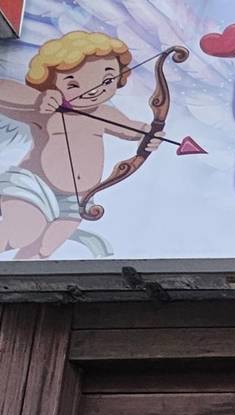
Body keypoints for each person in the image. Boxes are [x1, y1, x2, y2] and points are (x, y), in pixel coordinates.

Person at [0, 31, 160, 259]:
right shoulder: (45, 109)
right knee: (20, 233)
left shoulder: (104, 113)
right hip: (35, 186)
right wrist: (37, 100)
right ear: (50, 82)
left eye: (107, 80)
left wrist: (150, 134)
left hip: (78, 199)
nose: (94, 90)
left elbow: (133, 129)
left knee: (42, 251)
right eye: (73, 83)